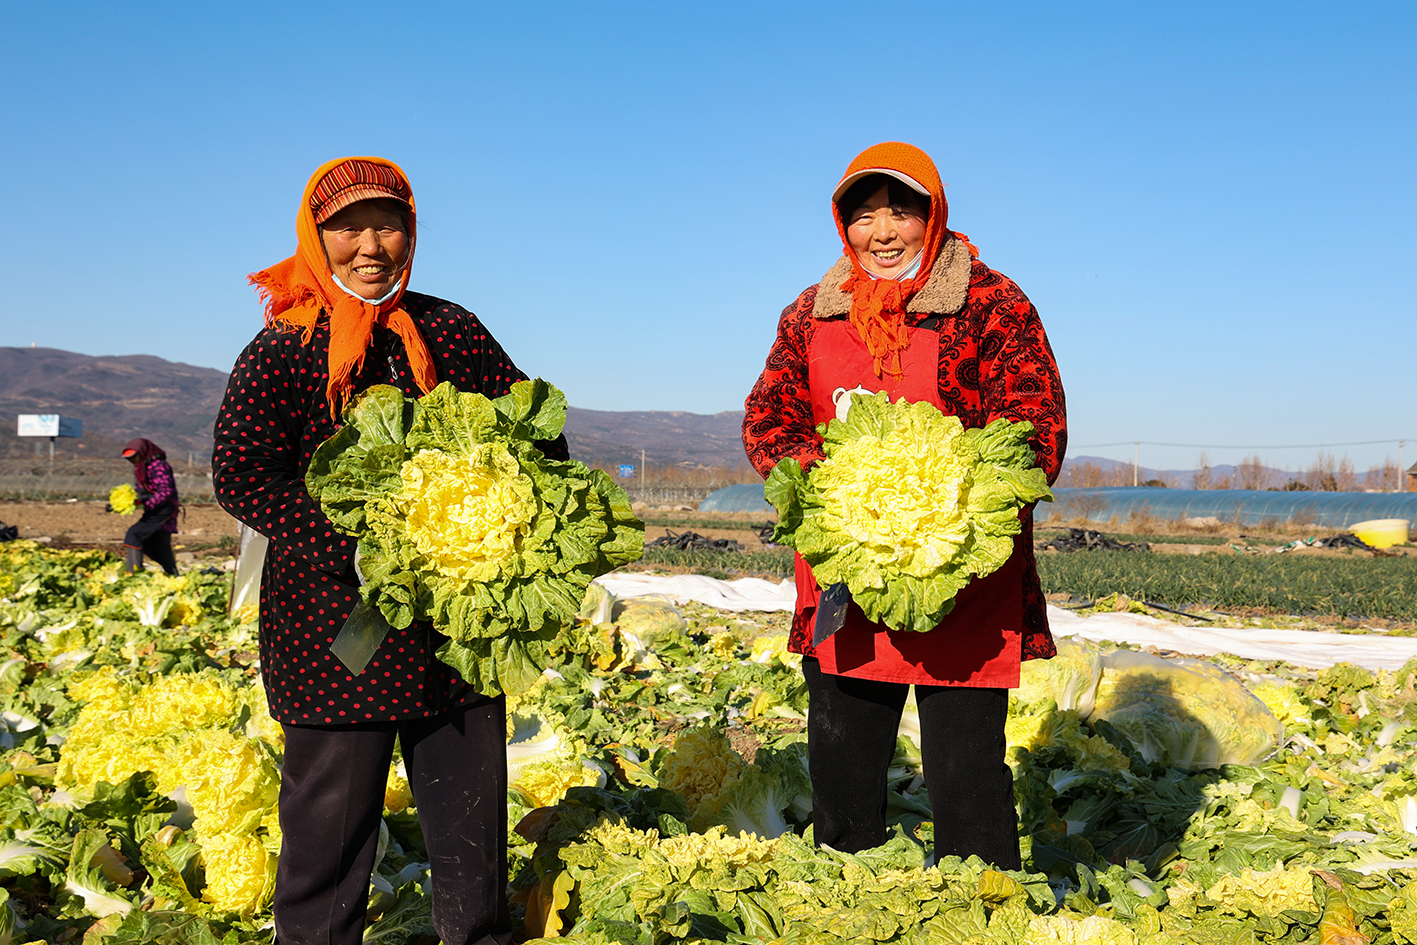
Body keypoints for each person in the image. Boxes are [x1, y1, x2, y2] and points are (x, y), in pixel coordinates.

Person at [212, 157, 566, 945]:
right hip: (336, 634)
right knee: (326, 843)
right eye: (346, 226)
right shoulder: (283, 349)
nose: (369, 244)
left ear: (410, 230)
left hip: (459, 630)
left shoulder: (451, 329)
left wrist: (508, 511)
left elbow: (539, 431)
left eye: (388, 223)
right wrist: (361, 545)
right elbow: (241, 474)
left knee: (472, 840)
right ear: (317, 234)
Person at [741, 142, 1067, 869]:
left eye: (899, 211)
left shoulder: (991, 301)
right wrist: (827, 492)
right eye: (862, 216)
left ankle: (977, 905)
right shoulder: (811, 310)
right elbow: (768, 413)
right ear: (841, 226)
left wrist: (967, 512)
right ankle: (848, 896)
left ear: (932, 213)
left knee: (965, 770)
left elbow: (1034, 420)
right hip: (845, 568)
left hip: (962, 577)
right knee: (840, 756)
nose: (880, 233)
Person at [120, 438, 180, 575]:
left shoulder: (159, 466)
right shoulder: (142, 467)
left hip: (164, 509)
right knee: (158, 544)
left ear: (143, 452)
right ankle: (173, 575)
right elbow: (139, 491)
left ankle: (134, 574)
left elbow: (165, 491)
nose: (133, 461)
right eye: (130, 459)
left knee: (134, 534)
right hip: (155, 509)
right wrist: (121, 504)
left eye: (135, 457)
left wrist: (147, 501)